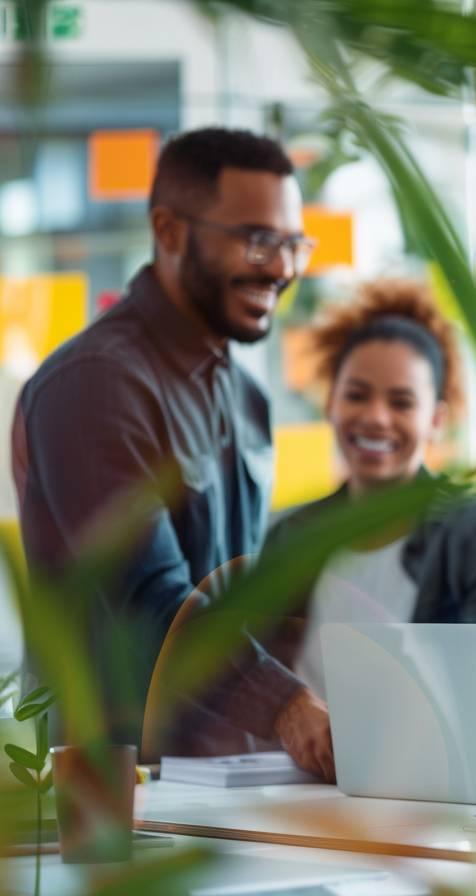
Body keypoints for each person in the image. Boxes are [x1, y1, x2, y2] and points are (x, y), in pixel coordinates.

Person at [12, 127, 330, 773]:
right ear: (170, 230)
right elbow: (152, 599)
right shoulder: (95, 383)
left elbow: (234, 594)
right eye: (257, 239)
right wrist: (287, 705)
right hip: (101, 788)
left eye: (295, 243)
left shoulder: (246, 395)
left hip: (222, 777)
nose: (283, 267)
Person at [257, 279, 476, 722]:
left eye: (402, 402)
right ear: (330, 402)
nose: (376, 417)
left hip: (427, 788)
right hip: (291, 786)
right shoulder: (291, 539)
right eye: (357, 395)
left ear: (436, 419)